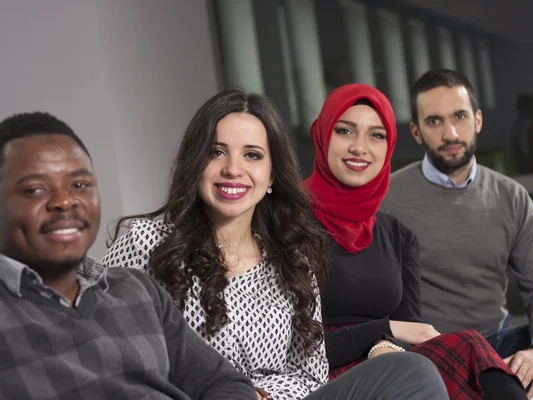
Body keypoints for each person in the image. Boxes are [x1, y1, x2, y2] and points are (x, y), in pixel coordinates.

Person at [103, 90, 449, 400]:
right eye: (216, 152)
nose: (233, 169)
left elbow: (310, 374)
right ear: (196, 164)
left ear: (271, 176)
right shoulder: (144, 242)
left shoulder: (291, 260)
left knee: (412, 372)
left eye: (252, 155)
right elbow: (99, 352)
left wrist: (260, 396)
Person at [0, 112, 259, 400]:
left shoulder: (137, 290)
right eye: (35, 189)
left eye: (80, 185)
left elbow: (224, 384)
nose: (65, 202)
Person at [304, 83, 525, 399]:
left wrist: (386, 343)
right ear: (322, 134)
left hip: (389, 359)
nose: (359, 147)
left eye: (376, 135)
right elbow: (282, 345)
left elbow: (412, 329)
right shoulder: (286, 222)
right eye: (345, 131)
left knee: (468, 345)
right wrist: (386, 332)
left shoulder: (397, 235)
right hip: (317, 370)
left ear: (389, 145)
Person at [381, 68, 533, 394]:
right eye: (434, 121)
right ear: (416, 131)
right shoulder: (386, 200)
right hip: (427, 353)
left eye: (460, 116)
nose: (450, 133)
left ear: (477, 120)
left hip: (497, 342)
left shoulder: (511, 197)